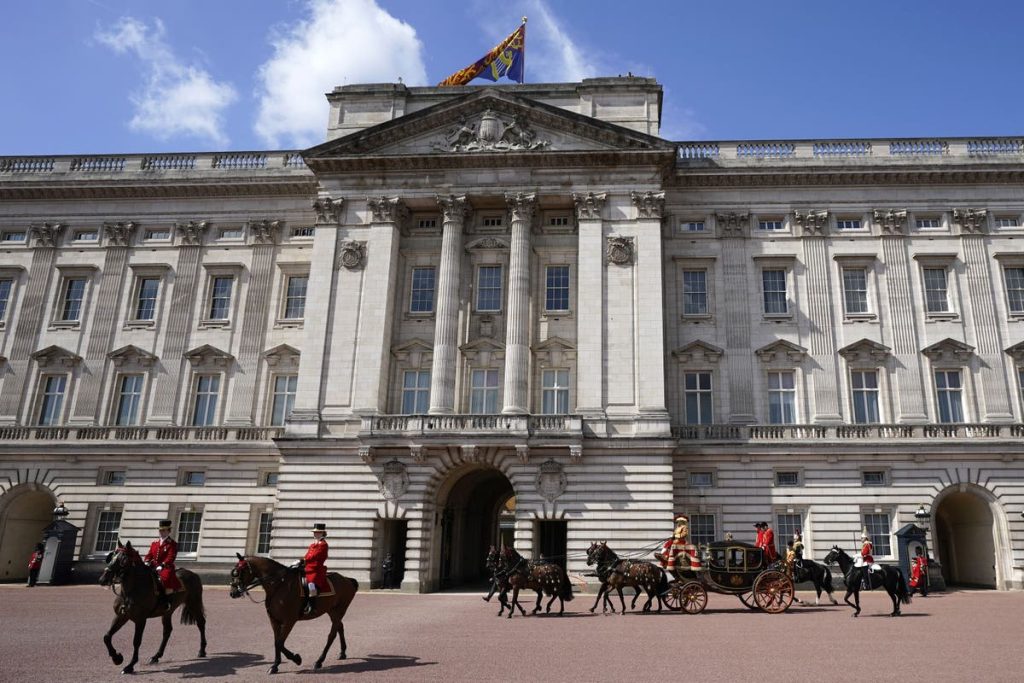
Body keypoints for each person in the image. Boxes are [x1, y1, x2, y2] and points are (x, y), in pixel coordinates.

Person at [144, 520, 182, 613]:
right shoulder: (155, 543)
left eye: (164, 531)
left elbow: (171, 557)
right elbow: (149, 555)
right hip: (154, 565)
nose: (162, 532)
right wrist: (146, 561)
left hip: (166, 566)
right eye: (160, 530)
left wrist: (163, 564)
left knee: (165, 579)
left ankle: (167, 602)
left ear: (169, 531)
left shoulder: (172, 544)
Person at [293, 522, 329, 615]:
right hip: (308, 566)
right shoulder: (312, 545)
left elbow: (314, 556)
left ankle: (312, 606)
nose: (315, 534)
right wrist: (300, 560)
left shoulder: (323, 544)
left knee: (311, 584)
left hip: (316, 568)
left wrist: (303, 560)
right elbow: (308, 554)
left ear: (322, 533)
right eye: (314, 532)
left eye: (317, 532)